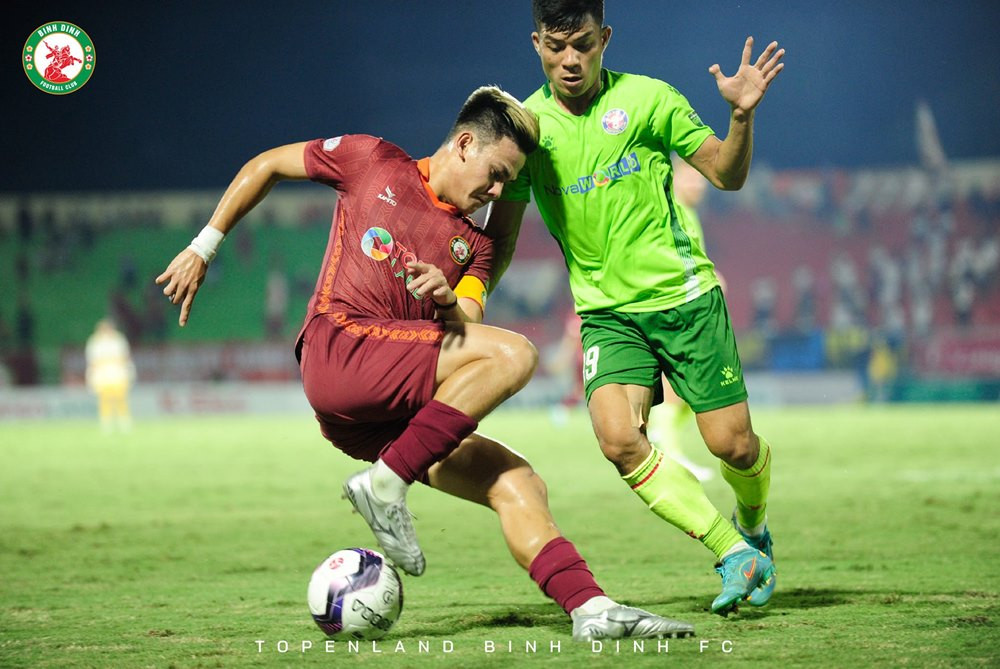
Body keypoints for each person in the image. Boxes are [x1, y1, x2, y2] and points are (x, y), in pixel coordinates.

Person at [155, 85, 694, 640]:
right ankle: (385, 484)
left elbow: (466, 323)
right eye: (496, 173)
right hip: (339, 349)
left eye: (508, 182)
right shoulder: (372, 161)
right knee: (517, 353)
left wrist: (444, 299)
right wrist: (203, 247)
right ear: (464, 144)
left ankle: (590, 608)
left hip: (381, 419)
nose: (498, 191)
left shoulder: (474, 247)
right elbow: (268, 164)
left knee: (518, 481)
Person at [485, 0, 783, 615]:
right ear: (536, 44)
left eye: (583, 44)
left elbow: (726, 175)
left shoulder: (650, 99)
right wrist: (469, 295)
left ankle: (753, 524)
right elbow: (503, 236)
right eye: (556, 47)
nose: (570, 60)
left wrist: (740, 116)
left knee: (734, 447)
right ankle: (733, 551)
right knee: (619, 439)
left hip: (685, 300)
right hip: (607, 315)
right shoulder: (528, 130)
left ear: (605, 38)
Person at [646, 160, 716, 483]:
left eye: (701, 180)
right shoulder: (670, 208)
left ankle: (664, 438)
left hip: (688, 303)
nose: (699, 185)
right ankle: (669, 451)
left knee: (692, 384)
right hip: (674, 305)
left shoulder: (689, 212)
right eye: (691, 178)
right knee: (678, 382)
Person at [85, 318, 136, 432]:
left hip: (118, 374)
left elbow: (125, 357)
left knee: (121, 398)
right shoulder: (95, 342)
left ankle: (124, 422)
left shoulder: (118, 340)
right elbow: (92, 361)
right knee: (105, 399)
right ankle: (106, 423)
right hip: (103, 375)